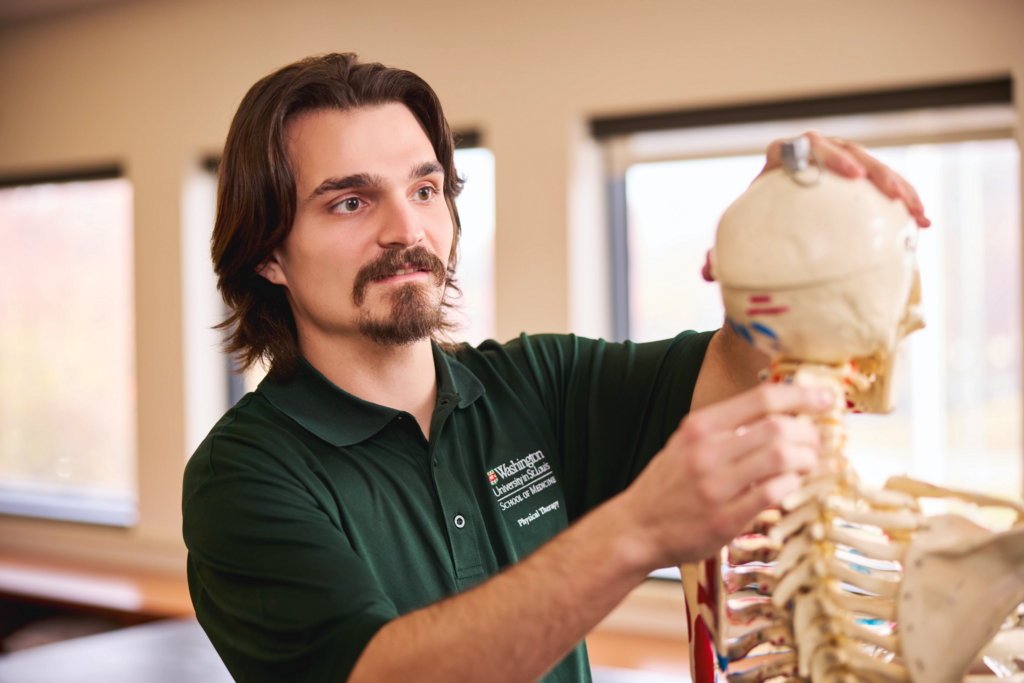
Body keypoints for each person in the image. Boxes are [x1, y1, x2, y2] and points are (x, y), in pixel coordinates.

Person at [182, 53, 930, 683]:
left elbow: (740, 364)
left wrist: (796, 221)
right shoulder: (245, 476)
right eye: (350, 202)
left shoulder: (539, 384)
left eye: (424, 188)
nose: (406, 230)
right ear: (268, 254)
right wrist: (637, 531)